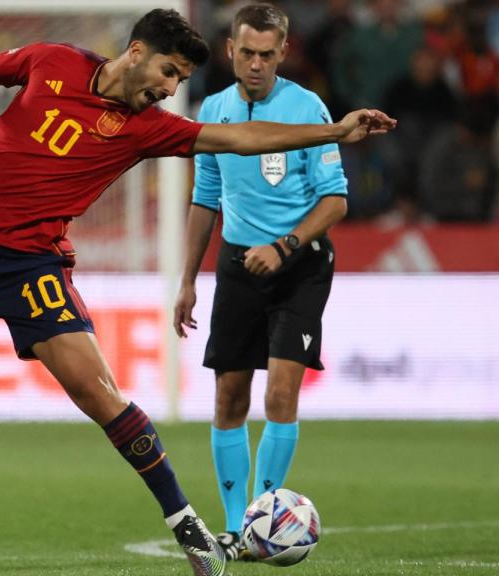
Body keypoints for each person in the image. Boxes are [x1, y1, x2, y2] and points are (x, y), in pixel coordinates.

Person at [0, 8, 394, 576]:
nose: (169, 89)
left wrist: (335, 131)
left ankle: (189, 529)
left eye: (181, 82)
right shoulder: (54, 61)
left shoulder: (149, 128)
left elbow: (241, 137)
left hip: (32, 269)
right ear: (136, 52)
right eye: (167, 72)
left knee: (102, 397)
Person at [174, 3, 349, 561]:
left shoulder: (308, 109)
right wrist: (187, 280)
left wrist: (284, 246)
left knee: (279, 391)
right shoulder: (214, 110)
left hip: (299, 264)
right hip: (237, 266)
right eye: (246, 53)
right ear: (230, 50)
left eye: (267, 55)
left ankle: (266, 515)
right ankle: (235, 527)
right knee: (228, 396)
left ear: (283, 53)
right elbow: (204, 200)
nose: (256, 64)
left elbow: (336, 200)